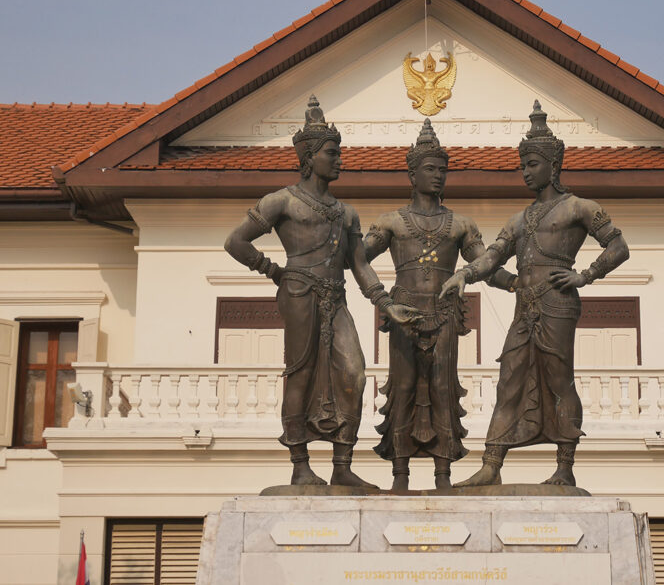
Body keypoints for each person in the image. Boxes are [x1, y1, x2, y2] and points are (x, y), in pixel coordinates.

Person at [224, 95, 419, 488]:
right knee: (301, 374)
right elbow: (236, 242)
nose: (339, 160)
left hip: (337, 296)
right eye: (332, 153)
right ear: (310, 157)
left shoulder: (347, 212)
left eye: (339, 152)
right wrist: (275, 272)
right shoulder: (282, 201)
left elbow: (359, 263)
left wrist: (386, 303)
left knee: (355, 373)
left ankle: (342, 463)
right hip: (299, 294)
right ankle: (300, 464)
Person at [440, 101, 629, 487]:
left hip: (558, 303)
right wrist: (465, 273)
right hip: (524, 307)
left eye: (532, 164)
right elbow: (492, 257)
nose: (526, 172)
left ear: (553, 165)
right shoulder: (519, 219)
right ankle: (492, 464)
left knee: (559, 379)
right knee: (509, 377)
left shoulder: (579, 208)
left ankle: (564, 466)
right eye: (523, 165)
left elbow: (618, 248)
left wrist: (586, 275)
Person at [364, 119, 515, 491]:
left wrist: (517, 283)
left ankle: (443, 474)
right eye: (430, 169)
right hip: (403, 312)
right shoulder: (391, 222)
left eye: (443, 170)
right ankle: (400, 475)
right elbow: (357, 258)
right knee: (402, 387)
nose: (438, 177)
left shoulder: (461, 224)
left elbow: (486, 265)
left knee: (443, 388)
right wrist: (378, 295)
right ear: (412, 174)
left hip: (446, 313)